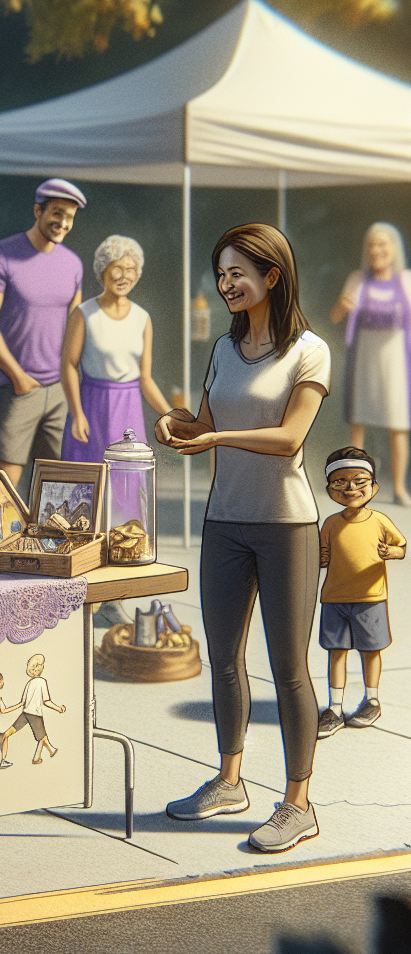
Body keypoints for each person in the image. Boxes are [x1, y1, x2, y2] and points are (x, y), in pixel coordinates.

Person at [156, 222, 330, 853]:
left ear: (272, 277)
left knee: (288, 668)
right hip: (224, 521)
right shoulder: (224, 350)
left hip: (287, 524)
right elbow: (204, 422)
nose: (226, 284)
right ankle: (230, 781)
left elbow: (288, 439)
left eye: (237, 273)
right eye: (221, 273)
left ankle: (299, 803)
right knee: (224, 658)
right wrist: (174, 425)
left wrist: (214, 438)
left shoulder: (310, 351)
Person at [0, 179, 86, 490]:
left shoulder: (73, 264)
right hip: (13, 388)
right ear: (38, 211)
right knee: (4, 488)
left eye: (70, 217)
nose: (63, 222)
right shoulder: (0, 256)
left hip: (59, 391)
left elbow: (74, 327)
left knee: (57, 488)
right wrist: (17, 376)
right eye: (57, 213)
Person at [316, 447, 405, 739]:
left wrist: (390, 551)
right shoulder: (330, 523)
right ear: (329, 488)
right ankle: (335, 708)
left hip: (370, 599)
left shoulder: (379, 520)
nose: (351, 488)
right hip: (334, 599)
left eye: (359, 481)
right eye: (340, 482)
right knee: (337, 652)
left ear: (374, 487)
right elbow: (322, 555)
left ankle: (372, 700)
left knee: (370, 650)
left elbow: (401, 547)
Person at [62, 235, 172, 463]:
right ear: (103, 271)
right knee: (90, 483)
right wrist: (76, 414)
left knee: (127, 479)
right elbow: (69, 365)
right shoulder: (84, 314)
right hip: (92, 408)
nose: (124, 276)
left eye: (131, 269)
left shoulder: (142, 318)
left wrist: (170, 414)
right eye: (117, 268)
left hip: (129, 411)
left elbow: (146, 379)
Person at [330, 223, 411, 505]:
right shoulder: (357, 279)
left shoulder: (406, 281)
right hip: (364, 356)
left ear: (394, 249)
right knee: (359, 421)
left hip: (396, 358)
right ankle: (356, 485)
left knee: (398, 422)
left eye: (383, 245)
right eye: (372, 245)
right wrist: (342, 305)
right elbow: (336, 316)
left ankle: (399, 488)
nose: (377, 250)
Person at [0, 654, 65, 765]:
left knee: (13, 730)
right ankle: (36, 758)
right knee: (41, 737)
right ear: (39, 668)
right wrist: (58, 709)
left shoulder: (29, 683)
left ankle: (51, 750)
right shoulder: (42, 681)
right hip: (35, 714)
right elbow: (46, 701)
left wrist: (6, 710)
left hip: (26, 713)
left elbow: (22, 703)